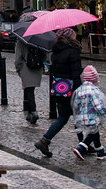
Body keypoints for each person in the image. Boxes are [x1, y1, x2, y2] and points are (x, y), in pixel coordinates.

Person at [34, 27, 83, 158]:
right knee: (77, 117)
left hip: (61, 88)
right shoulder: (73, 51)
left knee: (64, 117)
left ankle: (83, 144)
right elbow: (76, 73)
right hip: (72, 89)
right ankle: (83, 145)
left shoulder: (55, 52)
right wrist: (80, 90)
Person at [72, 65, 106, 160]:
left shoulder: (79, 90)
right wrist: (105, 113)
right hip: (92, 118)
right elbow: (98, 105)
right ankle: (81, 148)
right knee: (92, 134)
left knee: (95, 133)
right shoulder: (94, 91)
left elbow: (75, 104)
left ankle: (100, 152)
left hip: (82, 117)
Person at [14, 40, 46, 125]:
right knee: (30, 89)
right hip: (37, 68)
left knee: (29, 90)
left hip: (26, 67)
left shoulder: (21, 41)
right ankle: (29, 113)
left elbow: (18, 58)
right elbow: (45, 56)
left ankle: (33, 111)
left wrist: (18, 68)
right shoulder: (40, 40)